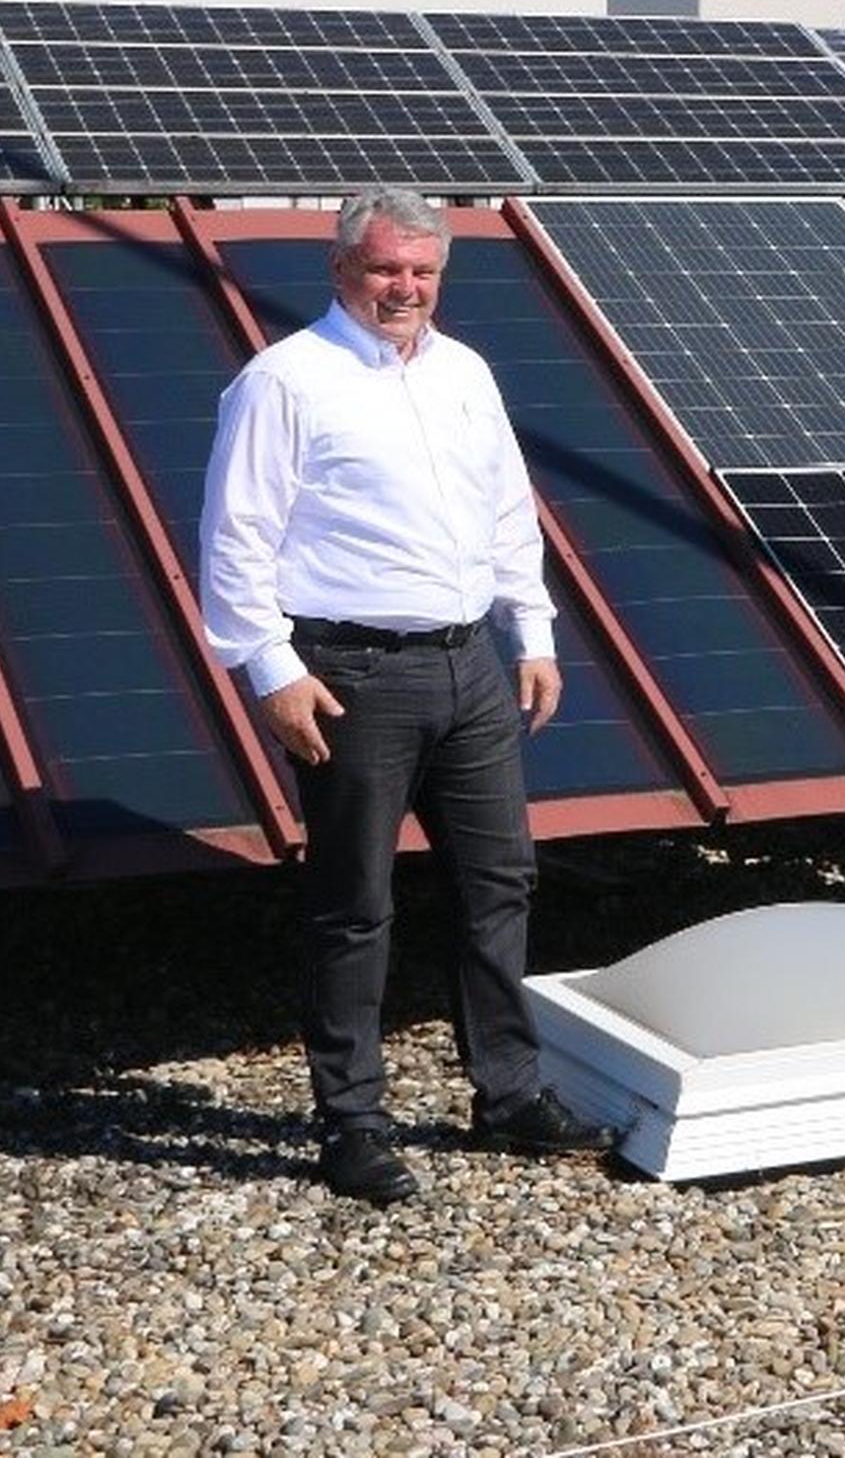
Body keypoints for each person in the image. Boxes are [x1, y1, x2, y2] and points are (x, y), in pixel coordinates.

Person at [200, 187, 614, 1204]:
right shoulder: (285, 382)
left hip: (471, 662)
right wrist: (270, 669)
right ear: (344, 269)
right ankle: (352, 1123)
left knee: (499, 880)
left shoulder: (465, 373)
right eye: (387, 269)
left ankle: (507, 1093)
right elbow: (236, 536)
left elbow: (506, 511)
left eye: (423, 272)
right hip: (351, 677)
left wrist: (536, 632)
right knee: (354, 905)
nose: (405, 288)